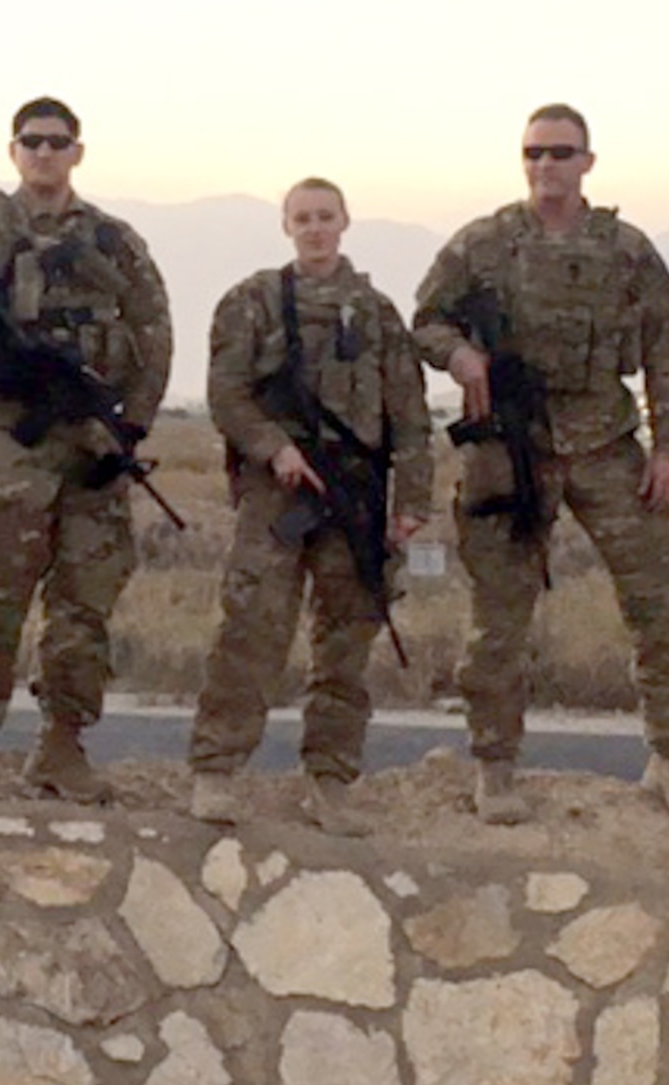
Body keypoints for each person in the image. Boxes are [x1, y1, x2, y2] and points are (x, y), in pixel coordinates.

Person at [412, 103, 669, 827]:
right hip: (513, 447)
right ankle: (495, 766)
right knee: (500, 617)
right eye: (535, 152)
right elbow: (426, 318)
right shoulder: (484, 244)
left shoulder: (626, 250)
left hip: (607, 443)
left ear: (588, 161)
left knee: (660, 607)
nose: (546, 165)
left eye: (562, 152)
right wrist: (458, 353)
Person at [0, 97, 172, 803]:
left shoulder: (115, 242)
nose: (44, 153)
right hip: (4, 435)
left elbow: (154, 332)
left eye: (57, 142)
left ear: (78, 151)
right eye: (32, 142)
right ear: (13, 151)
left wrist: (129, 428)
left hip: (90, 441)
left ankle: (61, 747)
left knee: (85, 600)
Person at [185, 178, 433, 835]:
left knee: (346, 640)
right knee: (252, 628)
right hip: (281, 491)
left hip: (354, 492)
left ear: (345, 221)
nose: (315, 229)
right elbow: (227, 394)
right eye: (303, 218)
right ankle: (216, 769)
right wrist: (275, 448)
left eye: (325, 217)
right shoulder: (253, 303)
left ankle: (330, 780)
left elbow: (409, 414)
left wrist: (410, 500)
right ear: (286, 226)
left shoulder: (376, 313)